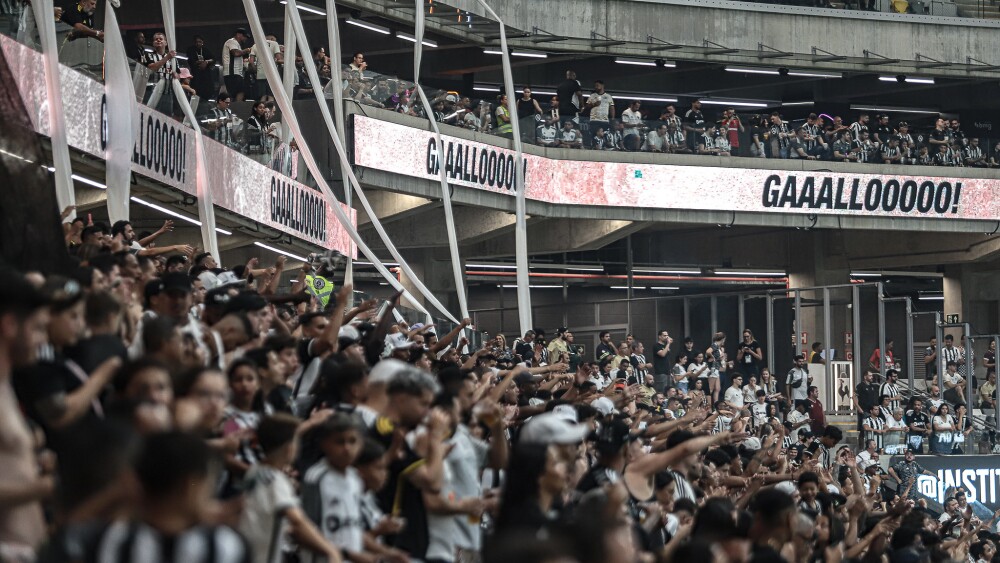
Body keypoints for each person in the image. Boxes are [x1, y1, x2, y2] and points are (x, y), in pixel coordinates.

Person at [223, 28, 252, 101]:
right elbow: (236, 53)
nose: (245, 38)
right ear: (238, 35)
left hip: (235, 73)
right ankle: (236, 105)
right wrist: (248, 50)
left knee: (239, 92)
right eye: (244, 36)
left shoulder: (237, 44)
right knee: (239, 91)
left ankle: (235, 105)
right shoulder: (232, 41)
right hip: (232, 72)